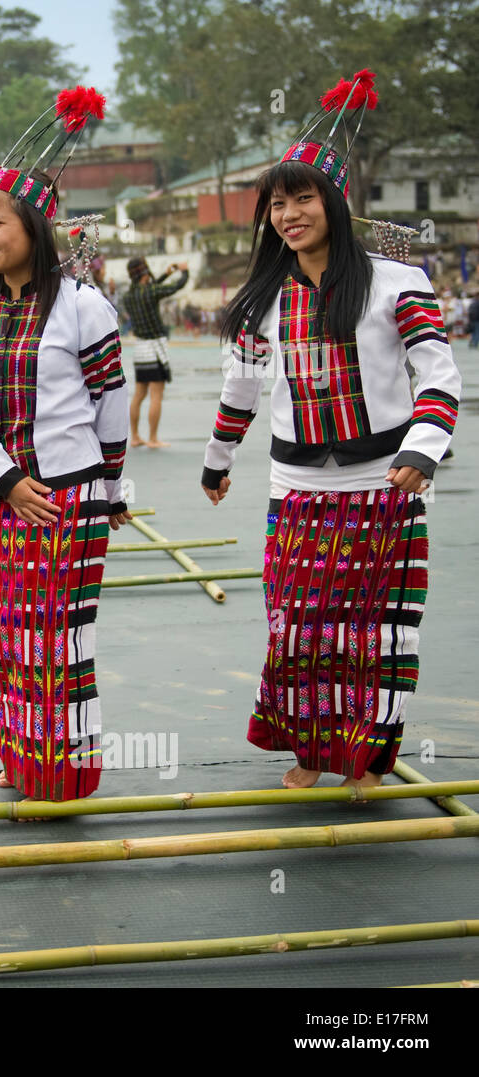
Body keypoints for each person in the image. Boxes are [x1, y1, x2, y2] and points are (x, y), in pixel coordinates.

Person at [201, 69, 461, 792]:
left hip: (385, 484)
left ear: (336, 203)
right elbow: (241, 389)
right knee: (298, 629)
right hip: (299, 490)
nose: (289, 214)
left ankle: (367, 761)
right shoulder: (262, 300)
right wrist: (217, 461)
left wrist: (422, 450)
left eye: (303, 198)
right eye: (277, 203)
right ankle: (311, 752)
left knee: (378, 634)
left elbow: (438, 377)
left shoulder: (397, 282)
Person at [0, 85, 129, 803]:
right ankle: (23, 755)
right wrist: (4, 478)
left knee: (55, 639)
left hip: (67, 498)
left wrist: (108, 492)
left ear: (34, 224)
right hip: (0, 498)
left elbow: (109, 404)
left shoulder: (84, 304)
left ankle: (64, 773)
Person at [122, 256, 188, 447]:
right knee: (156, 395)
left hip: (140, 349)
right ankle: (152, 438)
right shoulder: (150, 291)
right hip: (155, 349)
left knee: (139, 394)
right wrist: (184, 271)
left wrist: (165, 274)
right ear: (145, 272)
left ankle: (134, 436)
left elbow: (150, 290)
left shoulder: (129, 296)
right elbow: (175, 287)